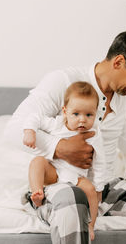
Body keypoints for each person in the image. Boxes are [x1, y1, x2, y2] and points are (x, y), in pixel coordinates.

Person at [4, 30, 126, 244]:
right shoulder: (63, 81)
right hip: (61, 183)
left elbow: (121, 133)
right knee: (74, 200)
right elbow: (13, 129)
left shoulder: (124, 96)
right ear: (119, 62)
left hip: (104, 186)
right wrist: (60, 147)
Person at [22, 81, 105, 241]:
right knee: (38, 161)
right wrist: (29, 131)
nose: (82, 120)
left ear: (95, 113)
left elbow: (100, 162)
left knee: (91, 191)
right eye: (76, 114)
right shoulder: (57, 124)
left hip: (76, 177)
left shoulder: (94, 133)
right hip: (53, 171)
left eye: (89, 115)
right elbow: (34, 117)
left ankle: (90, 224)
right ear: (65, 111)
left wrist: (99, 187)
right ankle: (37, 192)